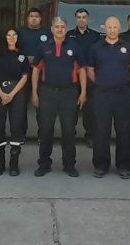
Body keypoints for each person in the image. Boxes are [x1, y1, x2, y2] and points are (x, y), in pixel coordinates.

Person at [31, 16, 86, 178]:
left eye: (63, 27)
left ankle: (69, 165)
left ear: (66, 29)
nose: (60, 29)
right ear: (52, 29)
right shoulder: (43, 48)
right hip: (47, 93)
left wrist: (83, 92)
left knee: (69, 130)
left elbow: (82, 70)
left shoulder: (74, 47)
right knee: (45, 130)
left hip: (69, 93)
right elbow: (35, 70)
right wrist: (34, 92)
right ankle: (44, 164)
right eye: (57, 27)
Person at [86, 17, 130, 179]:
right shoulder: (96, 48)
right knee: (101, 130)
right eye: (109, 27)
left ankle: (124, 165)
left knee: (124, 130)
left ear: (119, 28)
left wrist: (122, 82)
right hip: (102, 94)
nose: (112, 30)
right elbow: (90, 70)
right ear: (105, 28)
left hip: (122, 93)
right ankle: (101, 165)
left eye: (115, 27)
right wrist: (103, 83)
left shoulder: (128, 47)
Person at [0, 29, 31, 176]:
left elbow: (25, 77)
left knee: (17, 125)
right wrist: (1, 93)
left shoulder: (21, 56)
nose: (12, 38)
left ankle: (14, 165)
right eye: (9, 35)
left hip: (17, 93)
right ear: (5, 37)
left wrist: (12, 94)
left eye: (14, 35)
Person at [67, 8, 101, 148]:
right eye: (79, 17)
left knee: (90, 109)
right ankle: (70, 135)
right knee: (70, 108)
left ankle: (90, 136)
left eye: (84, 17)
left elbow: (98, 56)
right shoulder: (68, 35)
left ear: (87, 19)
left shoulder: (95, 36)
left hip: (89, 76)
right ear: (75, 19)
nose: (81, 19)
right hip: (72, 77)